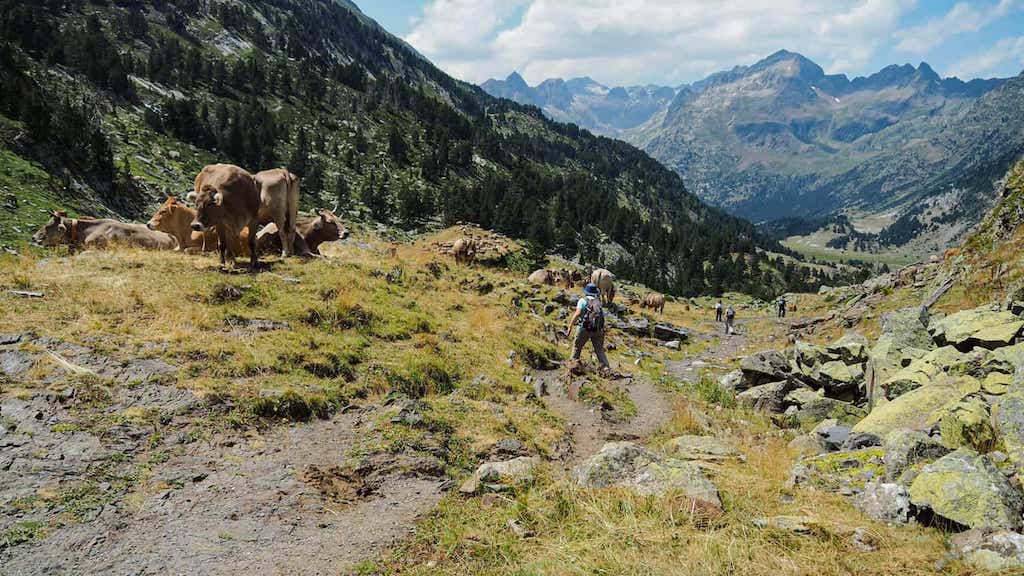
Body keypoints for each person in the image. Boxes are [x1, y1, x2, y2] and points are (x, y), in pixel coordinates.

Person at [566, 283, 611, 371]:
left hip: (584, 328)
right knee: (599, 349)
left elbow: (578, 313)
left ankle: (572, 366)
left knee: (577, 347)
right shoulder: (598, 302)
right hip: (598, 330)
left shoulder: (582, 300)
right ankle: (606, 367)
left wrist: (570, 325)